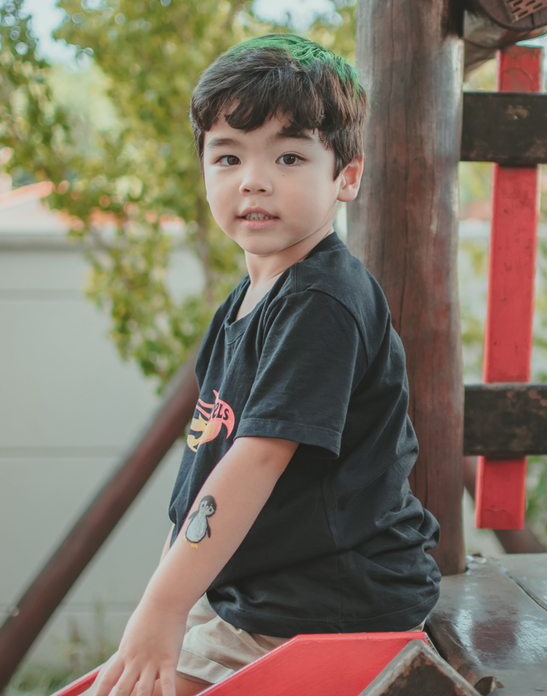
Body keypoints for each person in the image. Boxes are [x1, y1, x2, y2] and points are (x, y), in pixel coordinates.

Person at [91, 34, 442, 696]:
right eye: (228, 156)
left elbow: (255, 461)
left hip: (331, 603)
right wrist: (162, 603)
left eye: (289, 156)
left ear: (346, 176)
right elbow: (204, 473)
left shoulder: (322, 300)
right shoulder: (245, 303)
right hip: (264, 592)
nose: (253, 179)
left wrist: (163, 610)